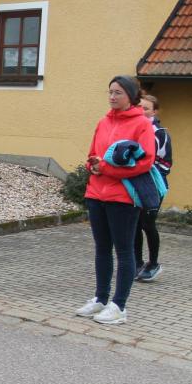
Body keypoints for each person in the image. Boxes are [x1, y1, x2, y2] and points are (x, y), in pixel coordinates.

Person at [75, 76, 155, 325]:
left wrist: (107, 169)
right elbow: (92, 154)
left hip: (123, 197)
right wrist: (92, 165)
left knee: (124, 250)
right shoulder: (103, 121)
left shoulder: (142, 124)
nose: (112, 97)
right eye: (110, 92)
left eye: (118, 92)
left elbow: (145, 162)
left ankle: (119, 306)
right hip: (96, 194)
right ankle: (100, 298)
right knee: (102, 248)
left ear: (130, 96)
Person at [134, 93, 171, 282]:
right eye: (139, 107)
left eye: (146, 108)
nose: (142, 111)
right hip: (134, 184)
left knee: (147, 224)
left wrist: (146, 172)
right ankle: (137, 263)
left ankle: (153, 263)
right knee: (134, 224)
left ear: (154, 112)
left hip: (153, 186)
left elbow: (166, 164)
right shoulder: (133, 128)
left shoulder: (160, 133)